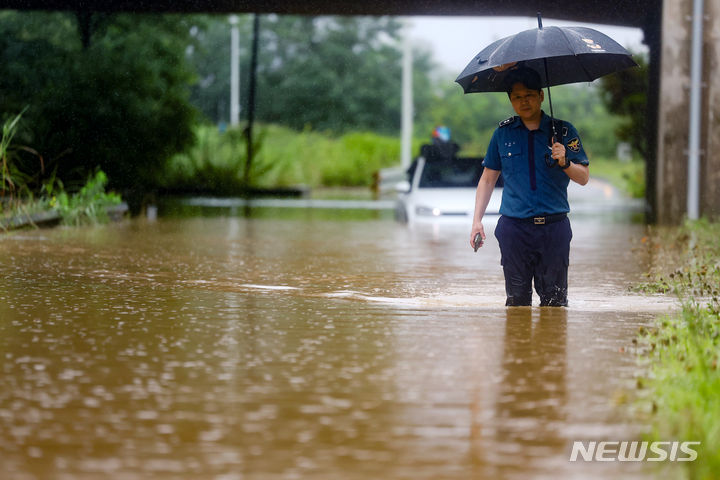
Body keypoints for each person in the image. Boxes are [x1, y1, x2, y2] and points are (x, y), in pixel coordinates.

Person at [470, 67, 589, 307]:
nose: (523, 102)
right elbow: (487, 179)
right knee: (517, 303)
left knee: (555, 304)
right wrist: (477, 221)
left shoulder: (563, 132)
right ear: (511, 101)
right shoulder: (502, 134)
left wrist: (565, 161)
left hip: (554, 229)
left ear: (541, 96)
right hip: (514, 229)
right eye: (517, 97)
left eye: (529, 95)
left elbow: (583, 177)